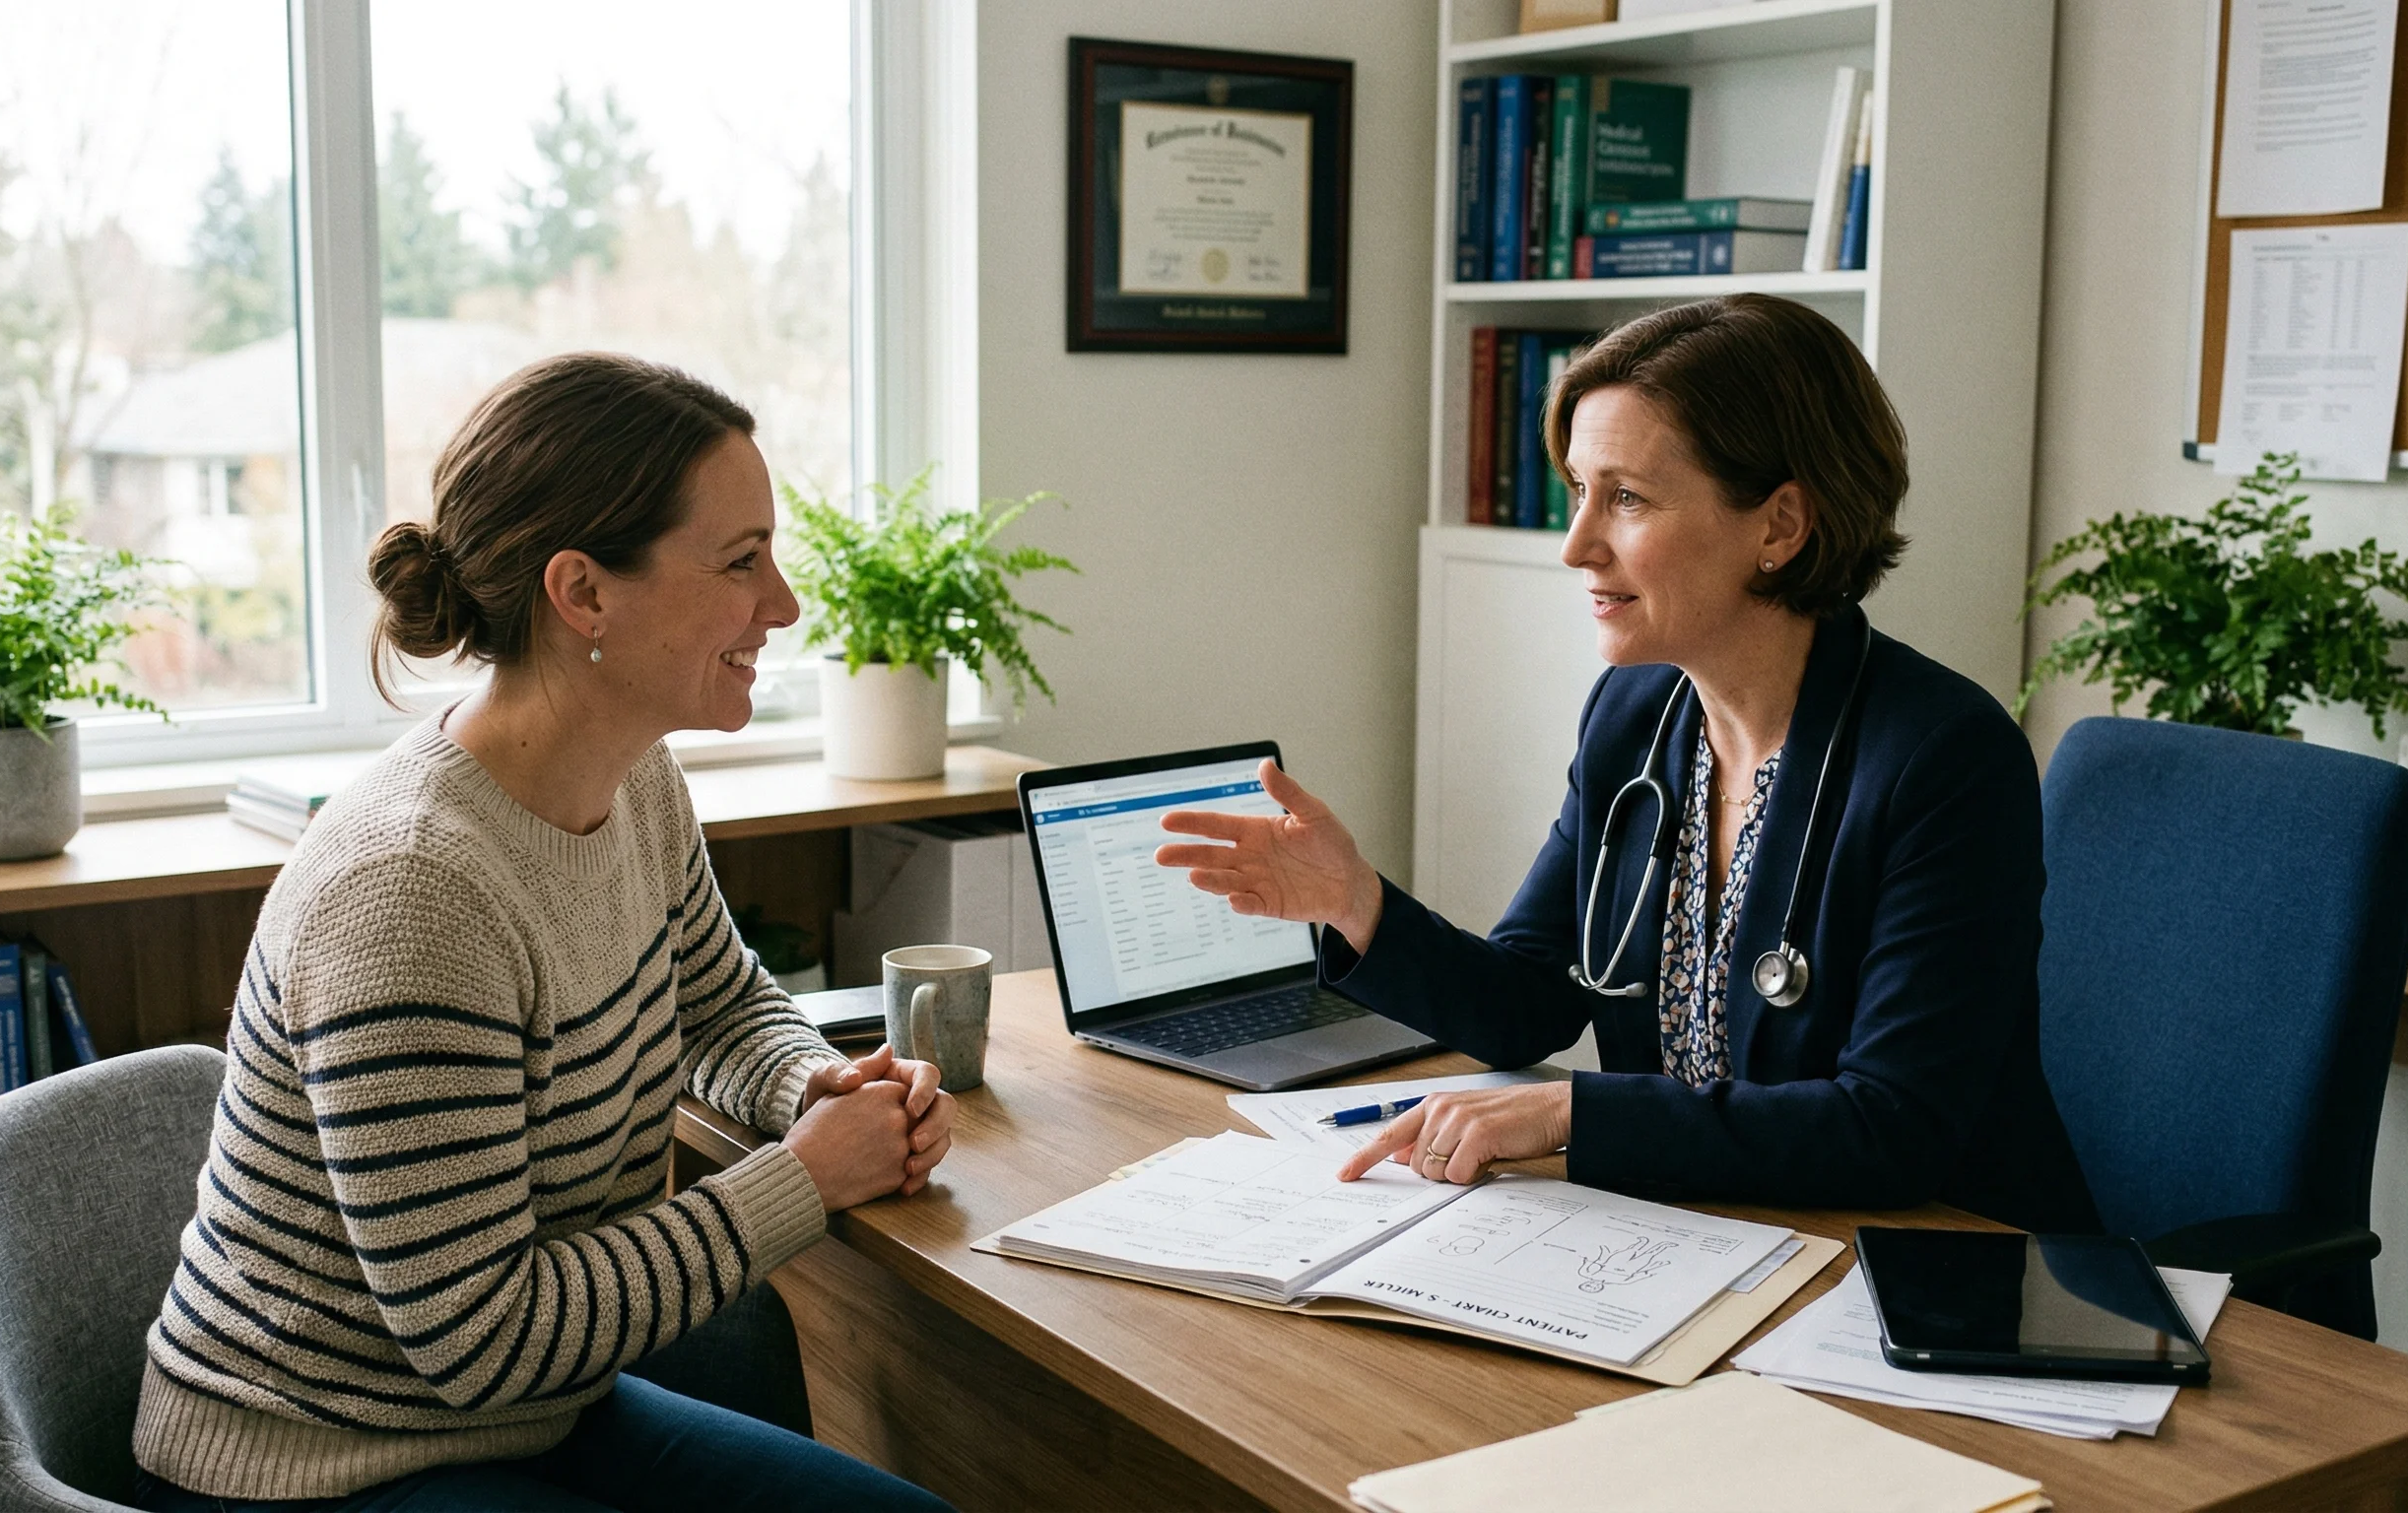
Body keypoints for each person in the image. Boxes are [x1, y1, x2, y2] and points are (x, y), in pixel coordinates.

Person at [132, 353, 954, 1513]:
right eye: (740, 561)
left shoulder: (635, 780)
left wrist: (811, 1084)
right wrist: (803, 1181)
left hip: (531, 1416)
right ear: (584, 595)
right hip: (319, 1463)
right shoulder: (415, 891)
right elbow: (482, 1340)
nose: (784, 604)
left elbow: (715, 1003)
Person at [1156, 296, 2099, 1235]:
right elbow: (1526, 1003)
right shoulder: (1638, 716)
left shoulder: (1943, 758)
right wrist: (1355, 901)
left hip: (1941, 1265)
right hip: (1716, 1230)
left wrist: (1568, 1114)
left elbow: (1893, 1129)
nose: (1576, 546)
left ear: (1780, 528)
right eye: (1578, 490)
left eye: (1628, 498)